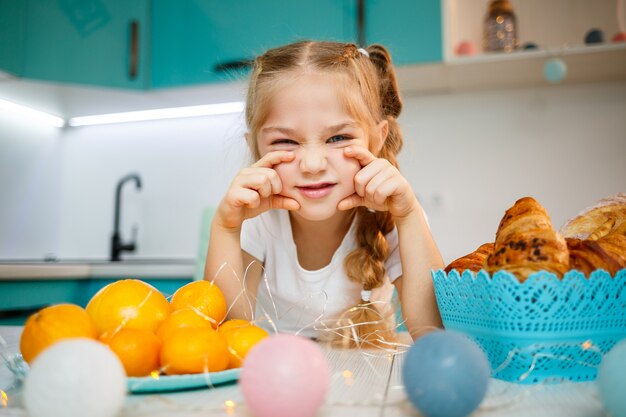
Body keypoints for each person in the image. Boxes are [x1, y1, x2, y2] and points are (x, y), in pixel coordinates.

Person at [205, 40, 444, 345]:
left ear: (376, 139)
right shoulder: (260, 221)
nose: (313, 164)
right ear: (256, 148)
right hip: (282, 379)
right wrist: (225, 228)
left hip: (367, 385)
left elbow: (432, 332)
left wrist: (410, 217)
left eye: (338, 137)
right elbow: (224, 335)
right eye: (286, 142)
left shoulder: (396, 216)